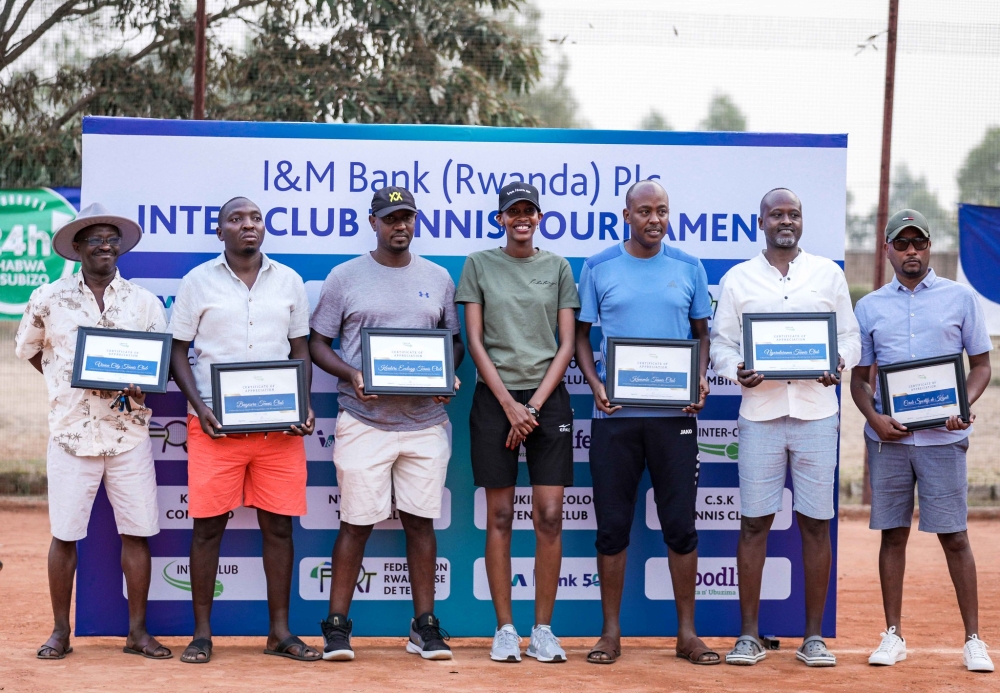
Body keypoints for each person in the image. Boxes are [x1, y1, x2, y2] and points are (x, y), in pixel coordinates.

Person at [309, 186, 464, 662]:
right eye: (391, 218)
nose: (401, 226)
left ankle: (424, 626)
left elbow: (453, 342)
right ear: (373, 222)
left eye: (407, 218)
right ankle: (337, 626)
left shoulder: (438, 278)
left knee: (420, 522)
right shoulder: (345, 277)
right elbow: (317, 343)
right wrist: (352, 374)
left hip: (424, 422)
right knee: (356, 523)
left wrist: (448, 374)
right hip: (364, 420)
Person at [710, 188, 860, 667]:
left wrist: (838, 361)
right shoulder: (738, 279)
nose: (786, 221)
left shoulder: (828, 274)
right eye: (777, 214)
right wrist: (736, 370)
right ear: (761, 222)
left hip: (817, 412)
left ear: (802, 220)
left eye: (793, 213)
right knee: (754, 522)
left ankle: (813, 638)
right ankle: (748, 636)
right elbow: (721, 344)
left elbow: (850, 337)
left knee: (815, 523)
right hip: (761, 413)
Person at [168, 196, 319, 664]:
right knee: (207, 529)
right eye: (236, 219)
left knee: (279, 527)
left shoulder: (290, 281)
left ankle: (279, 632)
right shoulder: (197, 282)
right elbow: (177, 352)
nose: (247, 225)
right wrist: (200, 408)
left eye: (255, 218)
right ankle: (201, 635)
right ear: (220, 231)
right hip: (215, 426)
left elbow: (300, 349)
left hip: (278, 430)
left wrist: (303, 403)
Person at [15, 203, 170, 660]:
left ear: (120, 246)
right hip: (71, 432)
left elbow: (158, 364)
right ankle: (60, 632)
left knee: (137, 533)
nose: (105, 245)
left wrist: (139, 383)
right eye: (96, 239)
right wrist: (65, 382)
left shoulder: (143, 301)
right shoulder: (49, 297)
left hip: (128, 434)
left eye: (112, 238)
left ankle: (137, 633)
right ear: (77, 246)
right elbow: (28, 348)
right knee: (64, 535)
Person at [575, 180, 717, 665]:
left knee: (680, 526)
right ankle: (609, 634)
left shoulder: (689, 266)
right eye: (644, 211)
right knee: (612, 527)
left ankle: (687, 634)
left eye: (662, 211)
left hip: (674, 420)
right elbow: (580, 336)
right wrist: (596, 384)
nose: (654, 219)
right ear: (627, 215)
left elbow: (702, 334)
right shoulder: (598, 266)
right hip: (614, 419)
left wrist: (700, 378)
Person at [852, 209, 994, 673]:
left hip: (943, 440)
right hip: (889, 441)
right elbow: (859, 380)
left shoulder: (960, 298)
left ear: (930, 247)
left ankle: (973, 639)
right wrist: (874, 418)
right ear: (887, 250)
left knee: (954, 536)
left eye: (919, 243)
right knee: (893, 534)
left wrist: (963, 405)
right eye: (902, 243)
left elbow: (981, 367)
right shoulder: (869, 307)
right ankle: (893, 634)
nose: (911, 251)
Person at [456, 182, 579, 663]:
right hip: (495, 400)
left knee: (549, 515)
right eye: (513, 211)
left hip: (548, 400)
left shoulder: (558, 267)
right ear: (501, 219)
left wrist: (533, 408)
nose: (522, 218)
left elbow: (566, 344)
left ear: (539, 217)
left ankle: (543, 630)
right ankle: (505, 629)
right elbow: (475, 341)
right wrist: (509, 404)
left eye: (530, 210)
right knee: (501, 515)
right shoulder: (479, 264)